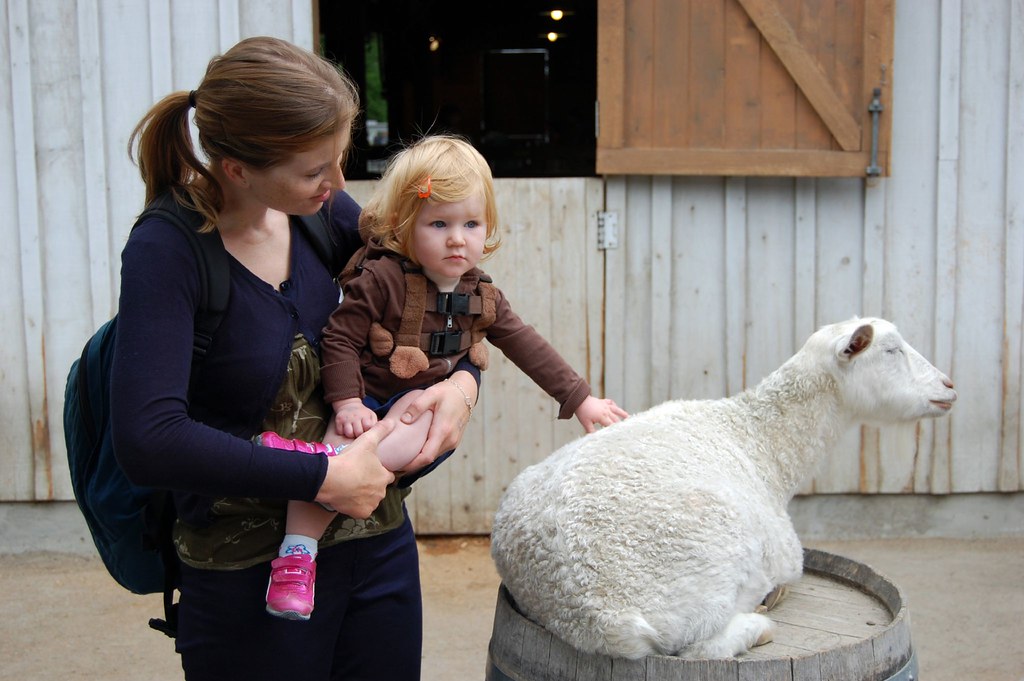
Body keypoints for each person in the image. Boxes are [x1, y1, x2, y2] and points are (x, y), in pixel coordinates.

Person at [109, 37, 479, 681]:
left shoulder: (319, 213)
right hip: (245, 572)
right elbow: (148, 439)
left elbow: (452, 291)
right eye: (315, 170)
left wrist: (464, 386)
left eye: (338, 161)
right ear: (237, 170)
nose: (338, 185)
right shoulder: (168, 251)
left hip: (374, 546)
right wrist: (320, 480)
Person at [261, 135, 629, 620]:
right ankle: (295, 561)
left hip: (418, 410)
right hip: (364, 400)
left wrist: (581, 400)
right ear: (405, 226)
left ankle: (319, 462)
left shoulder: (483, 296)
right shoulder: (382, 278)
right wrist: (348, 402)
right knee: (340, 465)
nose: (458, 238)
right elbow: (340, 338)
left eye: (471, 223)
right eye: (439, 223)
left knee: (400, 439)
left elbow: (527, 345)